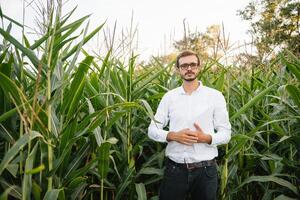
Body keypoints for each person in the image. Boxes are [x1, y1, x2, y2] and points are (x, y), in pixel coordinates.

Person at [148, 50, 231, 200]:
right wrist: (172, 135)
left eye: (193, 64)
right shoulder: (169, 97)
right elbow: (152, 130)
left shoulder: (215, 96)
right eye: (184, 65)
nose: (189, 69)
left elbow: (226, 133)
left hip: (205, 171)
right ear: (178, 70)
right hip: (175, 170)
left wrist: (206, 138)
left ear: (199, 67)